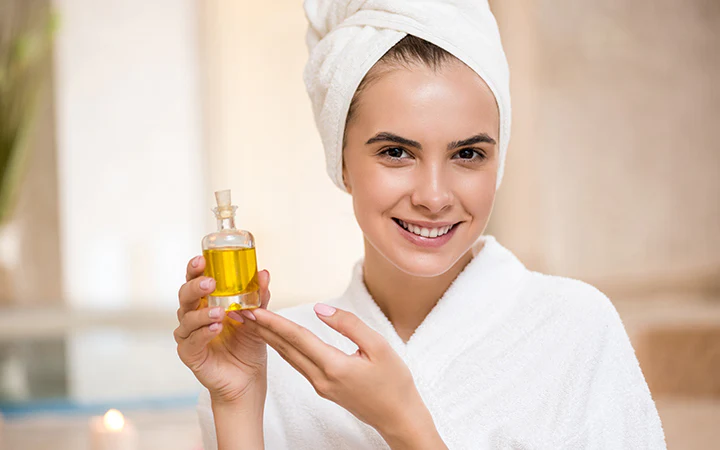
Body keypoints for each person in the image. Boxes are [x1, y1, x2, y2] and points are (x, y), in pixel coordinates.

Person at [174, 1, 666, 449]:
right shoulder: (272, 362)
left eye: (468, 154)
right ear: (341, 160)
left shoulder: (575, 327)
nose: (433, 196)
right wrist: (237, 400)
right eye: (396, 152)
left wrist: (405, 423)